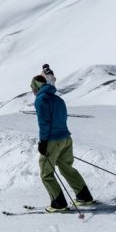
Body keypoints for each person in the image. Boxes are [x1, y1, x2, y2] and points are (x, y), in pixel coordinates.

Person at [31, 74, 95, 211]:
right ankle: (84, 197)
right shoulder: (58, 99)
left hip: (52, 140)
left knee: (46, 174)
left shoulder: (41, 100)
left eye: (32, 87)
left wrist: (43, 142)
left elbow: (44, 123)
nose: (32, 91)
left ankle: (58, 203)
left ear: (36, 87)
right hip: (66, 138)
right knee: (67, 167)